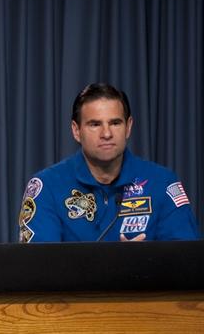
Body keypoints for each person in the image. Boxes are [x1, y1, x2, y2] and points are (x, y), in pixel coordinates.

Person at [17, 83, 198, 242]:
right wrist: (117, 267)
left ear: (128, 127)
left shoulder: (163, 182)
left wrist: (144, 265)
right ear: (76, 130)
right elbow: (40, 269)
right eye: (95, 124)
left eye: (115, 123)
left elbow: (186, 262)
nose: (106, 134)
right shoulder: (46, 187)